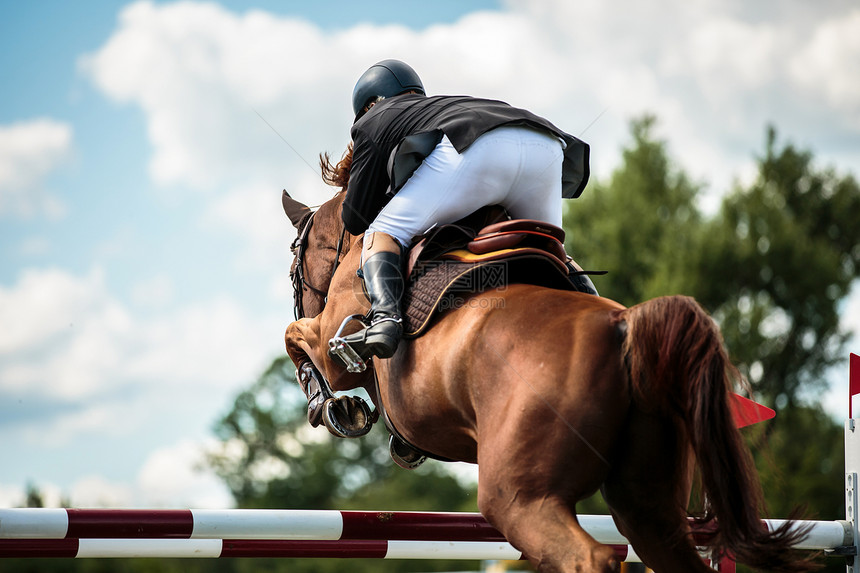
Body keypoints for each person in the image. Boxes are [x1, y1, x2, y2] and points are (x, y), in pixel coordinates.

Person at [324, 59, 592, 364]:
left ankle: (386, 320)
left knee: (382, 232)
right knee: (551, 247)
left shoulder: (374, 118)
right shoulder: (436, 107)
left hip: (480, 148)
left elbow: (355, 218)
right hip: (545, 146)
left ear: (369, 104)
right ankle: (595, 306)